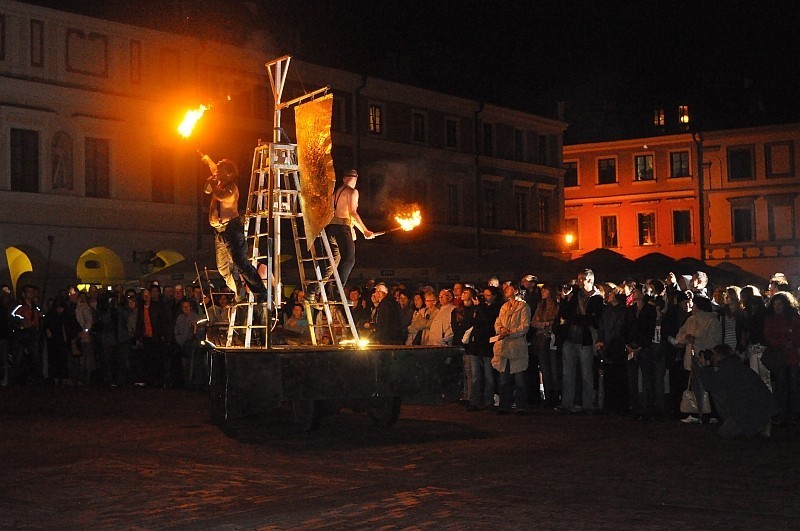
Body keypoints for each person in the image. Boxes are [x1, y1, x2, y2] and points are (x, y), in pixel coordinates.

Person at [205, 158, 267, 302]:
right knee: (222, 268)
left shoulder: (231, 188)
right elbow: (206, 189)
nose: (217, 173)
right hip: (219, 232)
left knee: (240, 263)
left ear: (229, 173)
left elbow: (221, 196)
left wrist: (214, 184)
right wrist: (210, 172)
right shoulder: (218, 184)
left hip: (232, 228)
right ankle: (238, 290)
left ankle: (260, 292)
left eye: (221, 171)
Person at [697, 344, 778, 438]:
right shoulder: (736, 364)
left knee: (724, 433)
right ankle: (758, 423)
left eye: (714, 355)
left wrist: (705, 367)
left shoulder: (728, 367)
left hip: (748, 409)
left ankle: (752, 425)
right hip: (759, 406)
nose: (712, 358)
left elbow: (710, 385)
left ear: (719, 355)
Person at [319, 169, 374, 297]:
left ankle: (319, 290)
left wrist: (363, 232)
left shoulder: (337, 192)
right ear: (355, 179)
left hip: (332, 228)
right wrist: (365, 230)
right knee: (349, 259)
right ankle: (337, 290)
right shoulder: (352, 192)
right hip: (342, 228)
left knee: (334, 262)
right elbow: (352, 212)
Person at [557, 269, 603, 413]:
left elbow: (591, 319)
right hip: (570, 338)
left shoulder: (596, 298)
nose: (578, 282)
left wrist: (573, 318)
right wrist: (565, 298)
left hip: (585, 339)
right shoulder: (575, 295)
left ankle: (587, 404)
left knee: (586, 374)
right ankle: (567, 404)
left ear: (589, 280)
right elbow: (564, 313)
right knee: (568, 373)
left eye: (581, 279)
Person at [492, 281, 531, 414]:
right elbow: (498, 322)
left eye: (509, 288)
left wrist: (510, 332)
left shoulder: (523, 307)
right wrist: (501, 329)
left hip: (517, 347)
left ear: (516, 291)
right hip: (504, 347)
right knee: (504, 378)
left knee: (519, 378)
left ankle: (521, 405)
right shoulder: (504, 307)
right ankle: (504, 404)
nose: (506, 290)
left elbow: (524, 327)